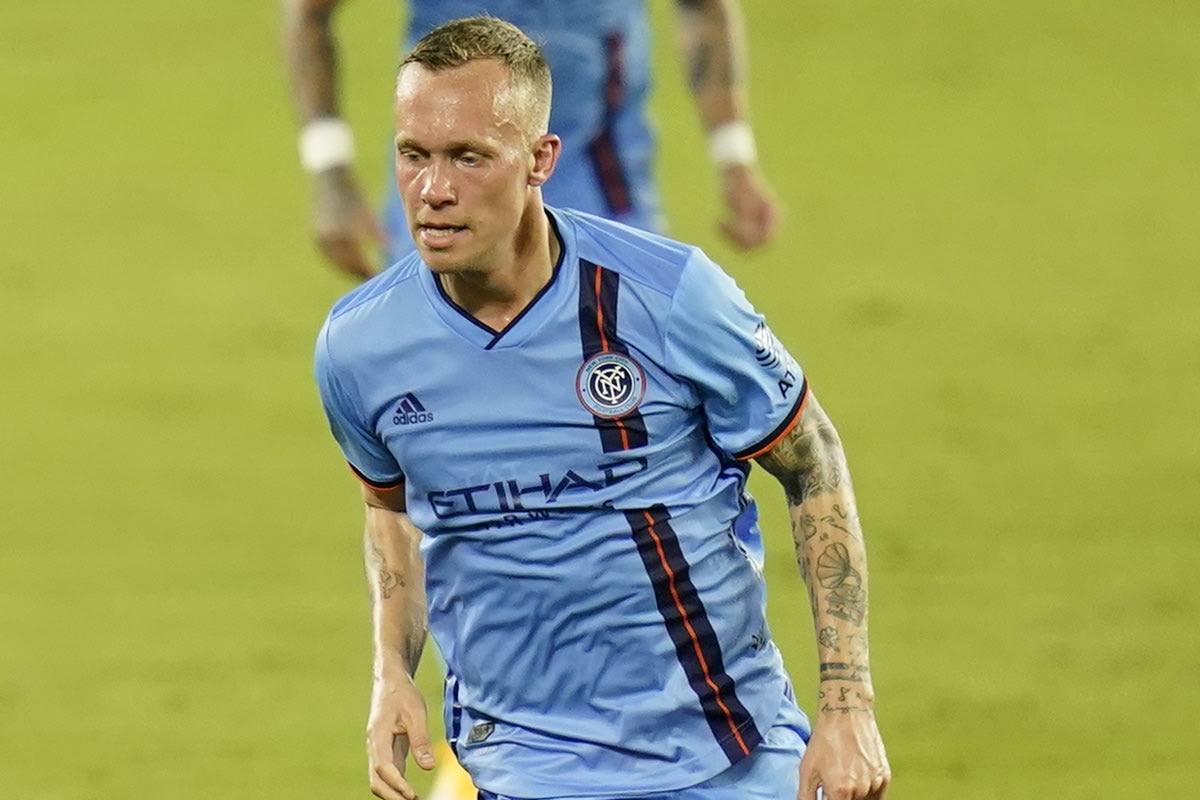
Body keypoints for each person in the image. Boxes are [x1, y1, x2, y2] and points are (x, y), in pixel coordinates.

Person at [314, 16, 889, 800]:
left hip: (724, 758)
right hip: (524, 772)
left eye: (469, 157)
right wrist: (393, 674)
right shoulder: (360, 346)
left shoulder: (669, 298)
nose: (433, 191)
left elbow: (812, 459)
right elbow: (390, 509)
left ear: (541, 159)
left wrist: (848, 705)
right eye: (413, 155)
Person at [283, 0, 780, 279]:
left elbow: (702, 7)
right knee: (439, 391)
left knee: (621, 392)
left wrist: (733, 155)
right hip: (448, 185)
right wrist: (330, 170)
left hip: (599, 186)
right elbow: (309, 12)